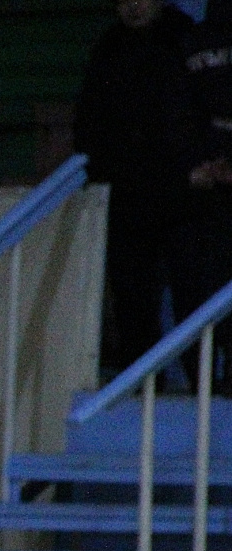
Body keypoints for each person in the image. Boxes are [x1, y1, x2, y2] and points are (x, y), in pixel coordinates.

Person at [73, 0, 196, 383]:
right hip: (128, 193)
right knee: (133, 297)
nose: (134, 6)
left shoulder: (184, 39)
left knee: (192, 292)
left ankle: (202, 380)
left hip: (185, 194)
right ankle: (143, 382)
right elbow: (91, 117)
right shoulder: (110, 47)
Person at [168, 0, 232, 393]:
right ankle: (203, 381)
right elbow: (176, 111)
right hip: (199, 194)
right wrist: (197, 165)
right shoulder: (189, 43)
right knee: (197, 286)